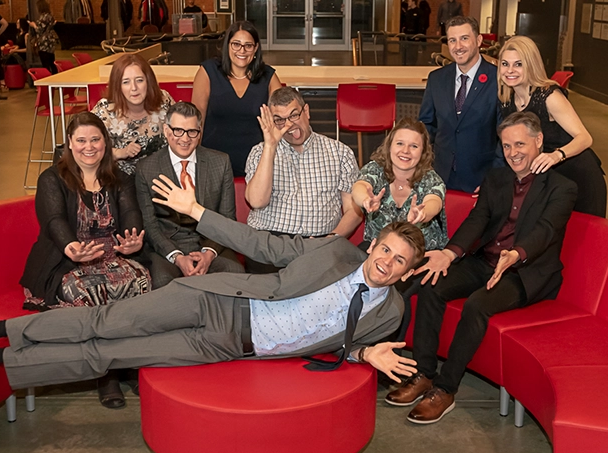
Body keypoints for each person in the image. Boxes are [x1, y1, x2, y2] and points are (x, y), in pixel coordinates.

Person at [0, 188, 425, 393]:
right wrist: (197, 213)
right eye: (385, 250)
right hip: (217, 300)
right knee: (103, 321)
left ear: (406, 273)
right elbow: (262, 242)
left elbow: (350, 342)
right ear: (373, 242)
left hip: (224, 346)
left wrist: (365, 357)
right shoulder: (336, 252)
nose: (386, 263)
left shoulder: (391, 313)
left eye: (399, 262)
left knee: (111, 355)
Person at [386, 111, 577, 423]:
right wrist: (449, 253)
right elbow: (478, 219)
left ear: (539, 141)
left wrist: (517, 253)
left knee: (477, 305)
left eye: (520, 144)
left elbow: (547, 229)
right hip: (485, 262)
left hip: (524, 273)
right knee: (433, 284)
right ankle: (423, 374)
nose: (513, 153)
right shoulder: (497, 178)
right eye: (506, 146)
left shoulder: (562, 187)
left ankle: (445, 390)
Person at [20, 111, 150, 409]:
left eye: (95, 139)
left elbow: (131, 212)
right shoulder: (52, 178)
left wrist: (132, 239)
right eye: (81, 140)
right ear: (69, 143)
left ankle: (131, 361)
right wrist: (72, 248)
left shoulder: (121, 177)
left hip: (114, 255)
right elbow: (53, 220)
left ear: (106, 141)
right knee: (90, 290)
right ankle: (106, 374)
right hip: (68, 260)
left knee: (141, 282)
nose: (88, 147)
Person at [243, 87, 363, 273]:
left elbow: (353, 211)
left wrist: (331, 239)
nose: (289, 125)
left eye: (294, 116)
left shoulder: (340, 152)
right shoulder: (260, 152)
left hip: (320, 242)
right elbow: (257, 201)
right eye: (280, 120)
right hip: (269, 242)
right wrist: (270, 147)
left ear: (306, 112)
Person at [135, 101, 244, 288]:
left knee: (236, 274)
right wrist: (177, 257)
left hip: (210, 242)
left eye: (192, 132)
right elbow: (150, 225)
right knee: (162, 281)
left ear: (200, 133)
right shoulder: (146, 168)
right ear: (166, 130)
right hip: (167, 246)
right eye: (178, 130)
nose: (185, 138)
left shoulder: (220, 162)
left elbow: (227, 217)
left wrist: (208, 254)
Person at [498, 36, 607, 217]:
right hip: (548, 178)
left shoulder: (548, 96)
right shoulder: (506, 100)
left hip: (577, 173)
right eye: (505, 64)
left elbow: (585, 138)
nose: (510, 70)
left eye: (518, 64)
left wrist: (557, 155)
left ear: (531, 65)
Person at [419, 16, 501, 193]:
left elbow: (506, 135)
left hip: (481, 178)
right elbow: (427, 125)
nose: (458, 47)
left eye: (464, 38)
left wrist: (495, 178)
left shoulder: (498, 79)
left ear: (479, 40)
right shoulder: (436, 79)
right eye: (452, 40)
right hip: (440, 176)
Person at [191, 21, 283, 177]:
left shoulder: (268, 76)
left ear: (255, 49)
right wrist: (191, 160)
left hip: (257, 162)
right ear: (227, 45)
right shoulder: (208, 71)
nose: (242, 50)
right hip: (212, 161)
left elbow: (282, 118)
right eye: (236, 44)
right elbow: (195, 120)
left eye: (248, 45)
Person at [351, 118, 447, 252]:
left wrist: (423, 213)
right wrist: (365, 200)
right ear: (389, 146)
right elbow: (359, 186)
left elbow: (434, 201)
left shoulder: (431, 179)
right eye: (400, 143)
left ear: (423, 152)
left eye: (414, 146)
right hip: (377, 252)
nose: (406, 151)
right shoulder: (375, 169)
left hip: (421, 256)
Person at [92, 54, 174, 176]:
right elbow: (88, 150)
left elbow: (182, 133)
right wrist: (120, 152)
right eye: (126, 82)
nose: (134, 88)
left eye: (139, 80)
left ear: (148, 81)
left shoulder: (164, 101)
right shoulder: (104, 110)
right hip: (120, 181)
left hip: (160, 176)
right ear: (117, 86)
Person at [29, 0, 58, 74]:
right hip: (51, 40)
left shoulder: (43, 17)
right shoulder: (50, 16)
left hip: (44, 42)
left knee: (45, 63)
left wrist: (34, 25)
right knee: (52, 62)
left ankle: (47, 79)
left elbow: (39, 30)